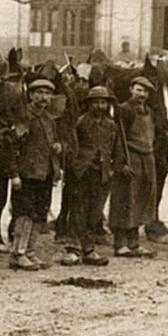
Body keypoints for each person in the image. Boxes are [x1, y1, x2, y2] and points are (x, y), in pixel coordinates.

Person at [59, 86, 125, 266]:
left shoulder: (111, 126)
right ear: (89, 104)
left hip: (102, 174)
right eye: (96, 102)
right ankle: (73, 249)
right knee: (78, 210)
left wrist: (114, 169)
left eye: (103, 102)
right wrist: (74, 166)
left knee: (94, 213)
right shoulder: (80, 122)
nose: (99, 106)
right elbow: (72, 146)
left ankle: (88, 248)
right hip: (82, 172)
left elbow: (118, 149)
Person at [3, 79, 62, 271]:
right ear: (31, 95)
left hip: (44, 173)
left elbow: (51, 144)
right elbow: (12, 146)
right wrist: (14, 174)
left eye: (47, 93)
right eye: (39, 93)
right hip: (26, 174)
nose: (44, 97)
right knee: (24, 213)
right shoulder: (24, 117)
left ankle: (29, 252)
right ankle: (17, 253)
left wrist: (57, 151)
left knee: (40, 215)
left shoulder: (49, 120)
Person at [109, 77, 162, 258]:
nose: (142, 94)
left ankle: (134, 243)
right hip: (130, 157)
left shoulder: (149, 112)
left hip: (147, 157)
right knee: (125, 200)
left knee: (141, 200)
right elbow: (118, 139)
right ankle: (120, 244)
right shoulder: (123, 110)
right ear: (131, 89)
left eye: (146, 92)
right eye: (139, 90)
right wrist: (121, 162)